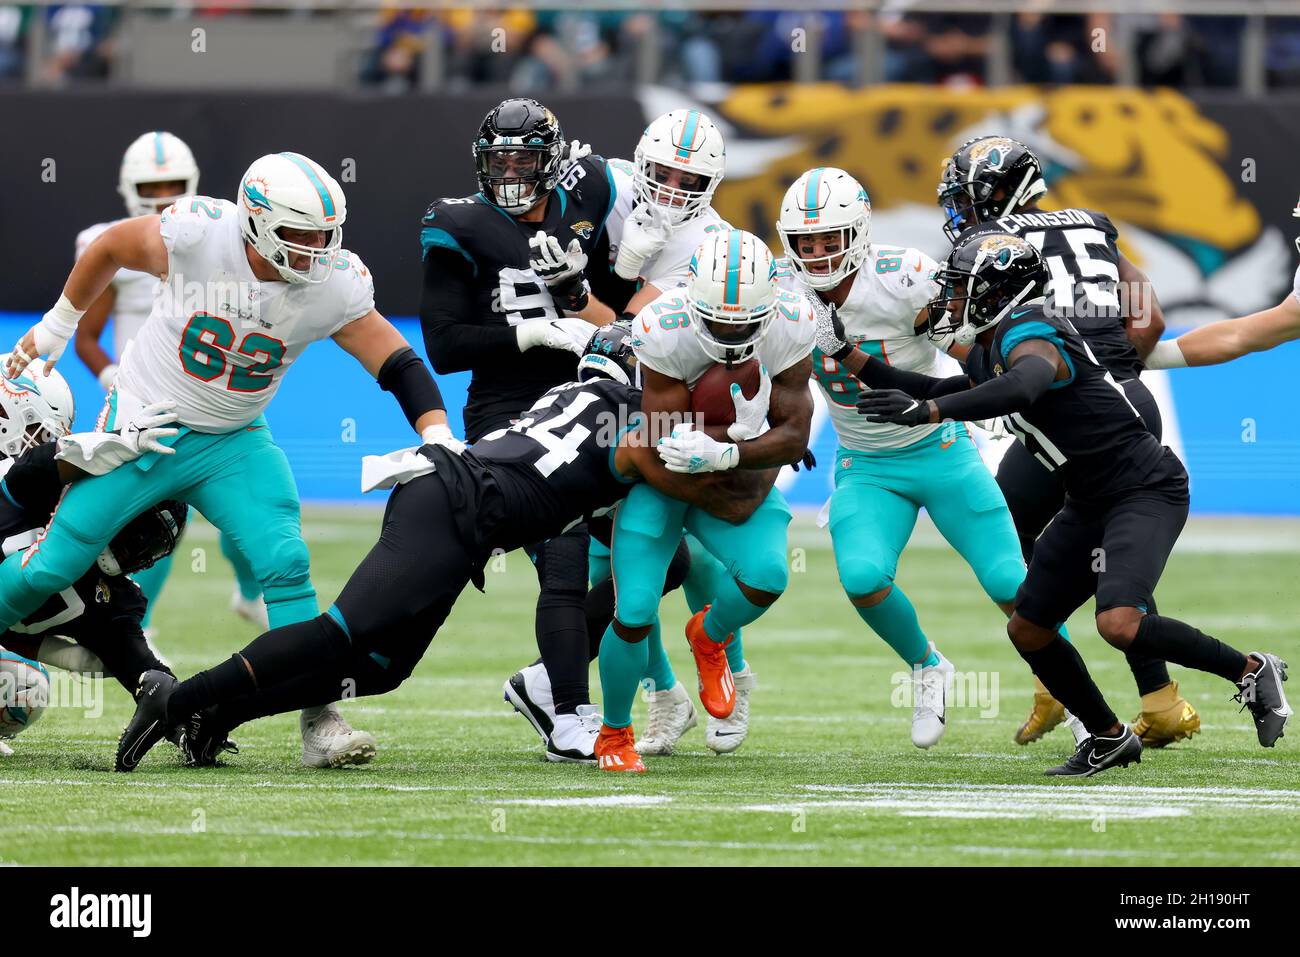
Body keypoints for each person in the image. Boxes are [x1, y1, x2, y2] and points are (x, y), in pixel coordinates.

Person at [113, 326, 768, 772]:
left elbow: (661, 554)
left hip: (454, 502)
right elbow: (695, 488)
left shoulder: (577, 396)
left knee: (380, 666)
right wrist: (740, 452)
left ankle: (215, 714)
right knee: (342, 633)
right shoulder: (630, 419)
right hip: (454, 505)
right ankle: (176, 699)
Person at [2, 151, 454, 770]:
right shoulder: (196, 236)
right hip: (143, 426)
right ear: (258, 222)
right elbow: (110, 246)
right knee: (50, 567)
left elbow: (395, 360)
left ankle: (320, 717)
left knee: (287, 562)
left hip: (233, 439)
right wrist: (59, 322)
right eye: (301, 235)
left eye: (326, 236)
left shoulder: (332, 284)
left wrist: (436, 430)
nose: (316, 251)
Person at [852, 227, 1290, 776]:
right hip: (1089, 500)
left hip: (1143, 489)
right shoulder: (995, 340)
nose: (950, 300)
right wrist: (850, 355)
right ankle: (1107, 737)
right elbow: (951, 389)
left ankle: (1251, 670)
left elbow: (1025, 385)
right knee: (1028, 629)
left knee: (1119, 622)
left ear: (994, 292)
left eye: (962, 288)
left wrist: (934, 414)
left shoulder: (1031, 329)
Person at [935, 134, 1196, 750]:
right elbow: (1150, 319)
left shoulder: (997, 251)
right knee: (1101, 542)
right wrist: (1109, 365)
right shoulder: (1091, 224)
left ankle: (1063, 684)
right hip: (1125, 399)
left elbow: (975, 345)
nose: (960, 213)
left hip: (1071, 407)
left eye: (967, 199)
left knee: (1016, 533)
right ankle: (1156, 701)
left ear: (1000, 194)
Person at [781, 166, 1031, 748]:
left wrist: (986, 401)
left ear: (858, 235)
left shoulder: (905, 278)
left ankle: (1072, 699)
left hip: (939, 446)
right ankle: (927, 665)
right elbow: (772, 373)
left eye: (829, 241)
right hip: (866, 461)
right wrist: (779, 430)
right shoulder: (783, 296)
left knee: (1011, 583)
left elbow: (971, 352)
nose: (816, 256)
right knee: (864, 578)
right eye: (805, 244)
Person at [419, 97, 633, 763]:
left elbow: (627, 294)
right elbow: (446, 346)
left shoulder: (591, 190)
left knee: (661, 558)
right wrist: (531, 331)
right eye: (499, 159)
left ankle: (542, 683)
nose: (511, 172)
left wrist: (593, 300)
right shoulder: (458, 224)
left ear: (553, 162)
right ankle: (570, 712)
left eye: (524, 159)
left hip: (588, 400)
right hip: (509, 409)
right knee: (564, 553)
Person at [595, 228, 816, 773]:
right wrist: (724, 449)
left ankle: (708, 635)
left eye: (745, 320)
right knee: (635, 610)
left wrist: (729, 453)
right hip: (661, 476)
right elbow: (658, 442)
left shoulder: (793, 320)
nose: (732, 330)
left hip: (732, 473)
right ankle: (614, 733)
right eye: (719, 318)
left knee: (768, 576)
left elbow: (795, 437)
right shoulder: (663, 329)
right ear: (692, 300)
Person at [73, 131, 267, 638]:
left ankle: (251, 595)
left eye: (173, 184)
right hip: (144, 405)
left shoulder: (219, 237)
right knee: (155, 525)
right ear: (129, 187)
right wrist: (111, 374)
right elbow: (87, 337)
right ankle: (143, 629)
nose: (162, 196)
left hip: (212, 395)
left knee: (248, 513)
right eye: (151, 185)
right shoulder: (112, 241)